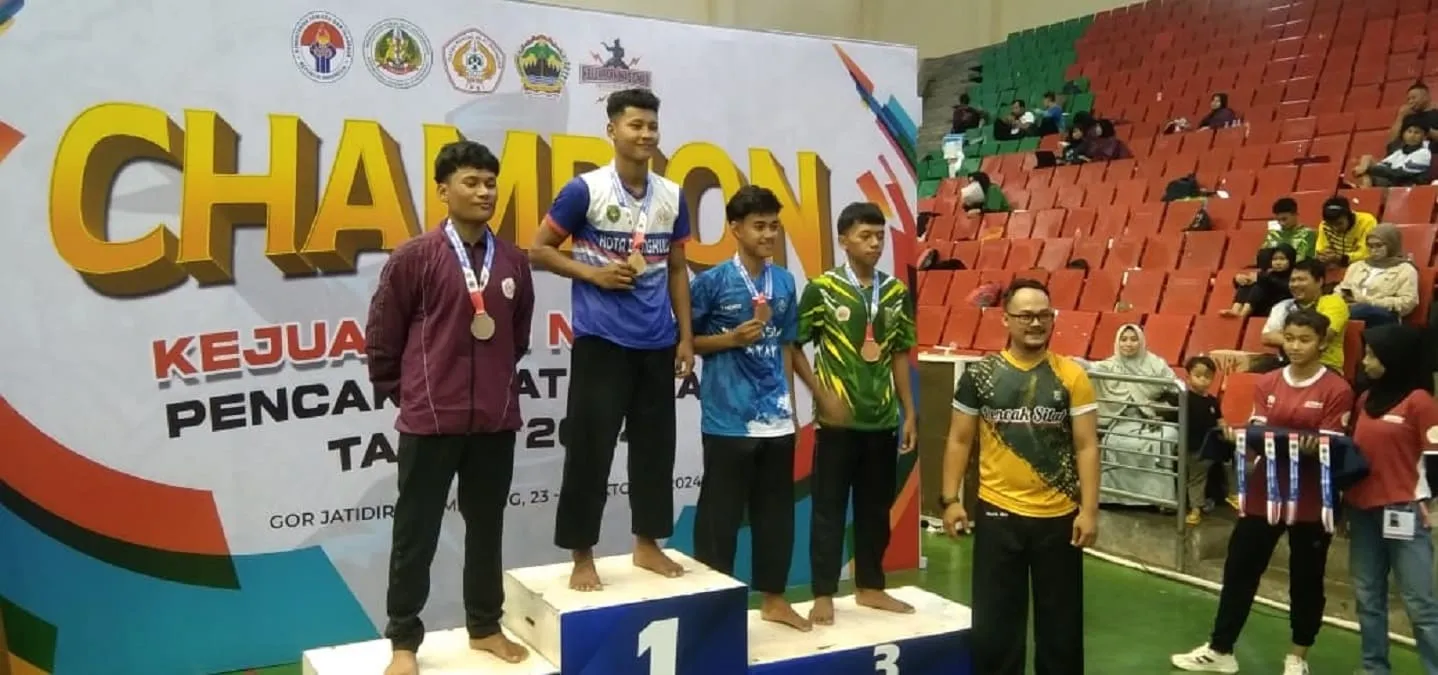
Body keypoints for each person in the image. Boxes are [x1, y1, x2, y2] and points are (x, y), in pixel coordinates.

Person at [365, 141, 536, 674]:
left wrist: (492, 387)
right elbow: (383, 337)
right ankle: (403, 643)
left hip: (494, 421)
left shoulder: (513, 261)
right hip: (430, 422)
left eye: (490, 183)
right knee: (415, 533)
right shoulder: (414, 257)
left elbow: (517, 336)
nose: (484, 192)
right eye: (471, 182)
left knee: (486, 528)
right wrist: (414, 394)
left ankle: (484, 627)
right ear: (443, 190)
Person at [529, 87, 696, 591]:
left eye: (652, 126)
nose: (645, 134)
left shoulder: (672, 196)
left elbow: (678, 268)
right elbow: (538, 250)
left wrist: (685, 338)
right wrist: (593, 275)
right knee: (590, 450)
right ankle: (582, 555)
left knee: (655, 449)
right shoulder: (585, 190)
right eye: (635, 125)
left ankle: (647, 544)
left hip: (657, 341)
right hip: (601, 339)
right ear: (612, 130)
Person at [1171, 310, 1355, 675]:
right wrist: (1236, 436)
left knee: (1306, 579)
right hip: (1262, 494)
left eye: (1305, 340)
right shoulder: (1268, 381)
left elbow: (1333, 445)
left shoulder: (1337, 389)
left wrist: (1309, 445)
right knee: (1239, 569)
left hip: (1310, 499)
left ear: (1322, 343)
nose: (1296, 346)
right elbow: (1258, 433)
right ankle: (1221, 649)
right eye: (1290, 338)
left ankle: (1297, 657)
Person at [942, 278, 1102, 675]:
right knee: (996, 628)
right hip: (998, 514)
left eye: (1044, 315)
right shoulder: (980, 375)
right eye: (1026, 315)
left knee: (1061, 630)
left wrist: (1089, 511)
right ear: (1006, 319)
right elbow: (959, 439)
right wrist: (950, 499)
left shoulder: (1072, 376)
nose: (1036, 323)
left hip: (1059, 519)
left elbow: (1086, 446)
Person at [688, 186, 811, 632]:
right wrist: (729, 339)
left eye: (774, 226)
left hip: (776, 422)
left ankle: (774, 600)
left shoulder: (785, 283)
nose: (768, 234)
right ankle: (712, 611)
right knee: (719, 520)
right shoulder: (712, 282)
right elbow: (686, 342)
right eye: (759, 226)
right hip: (727, 421)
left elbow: (786, 345)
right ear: (735, 229)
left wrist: (791, 410)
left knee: (775, 516)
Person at [792, 201, 919, 625]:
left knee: (875, 511)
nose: (875, 244)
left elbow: (899, 353)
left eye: (880, 236)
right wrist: (821, 394)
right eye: (865, 236)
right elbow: (793, 345)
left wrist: (909, 412)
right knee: (828, 510)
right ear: (843, 240)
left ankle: (870, 587)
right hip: (837, 424)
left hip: (882, 422)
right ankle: (823, 593)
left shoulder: (895, 292)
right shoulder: (822, 289)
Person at [1345, 324, 1438, 674]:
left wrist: (1424, 500)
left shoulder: (1420, 402)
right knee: (1368, 597)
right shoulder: (1364, 400)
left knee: (1419, 604)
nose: (1365, 362)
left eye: (1373, 355)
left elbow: (1436, 460)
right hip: (1362, 511)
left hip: (1404, 512)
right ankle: (1374, 668)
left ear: (1395, 358)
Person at [1092, 324, 1179, 506]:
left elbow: (1176, 391)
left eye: (1133, 339)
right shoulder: (1109, 365)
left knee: (1168, 435)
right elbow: (1089, 367)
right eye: (1124, 339)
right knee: (1114, 440)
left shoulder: (1156, 364)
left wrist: (1159, 412)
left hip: (1154, 419)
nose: (1128, 344)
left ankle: (1160, 498)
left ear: (1141, 341)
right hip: (1121, 421)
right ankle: (1113, 497)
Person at [1261, 259, 1349, 373]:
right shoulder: (1283, 306)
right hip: (1287, 364)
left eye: (1301, 280)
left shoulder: (1333, 302)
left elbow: (1323, 336)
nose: (1295, 284)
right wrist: (1302, 339)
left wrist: (1286, 337)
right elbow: (1266, 337)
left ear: (1319, 281)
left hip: (1324, 366)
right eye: (1292, 280)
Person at [1336, 223, 1420, 327]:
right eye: (1370, 246)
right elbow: (1342, 288)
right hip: (1352, 308)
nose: (1373, 250)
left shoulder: (1405, 269)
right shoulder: (1356, 266)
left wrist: (1370, 302)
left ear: (1391, 245)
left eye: (1379, 246)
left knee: (1363, 309)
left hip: (1385, 315)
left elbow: (1408, 302)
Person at [1179, 356, 1223, 525]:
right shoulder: (1183, 397)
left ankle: (1199, 506)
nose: (1203, 380)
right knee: (1193, 478)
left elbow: (1220, 419)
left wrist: (1225, 429)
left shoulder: (1213, 401)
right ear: (1188, 376)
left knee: (1199, 477)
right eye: (1198, 375)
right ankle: (1194, 507)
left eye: (1208, 376)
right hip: (1188, 445)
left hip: (1208, 446)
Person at [1222, 244, 1295, 319]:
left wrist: (1261, 279)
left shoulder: (1294, 274)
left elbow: (1286, 287)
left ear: (1290, 260)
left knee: (1259, 285)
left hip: (1278, 307)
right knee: (1246, 284)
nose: (1278, 262)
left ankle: (1243, 314)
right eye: (1274, 259)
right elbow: (1255, 281)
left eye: (1282, 259)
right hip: (1259, 307)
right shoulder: (1269, 273)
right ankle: (1235, 310)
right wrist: (1238, 280)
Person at [1352, 120, 1433, 188]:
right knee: (1367, 158)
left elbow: (1399, 175)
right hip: (1391, 183)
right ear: (1404, 134)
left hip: (1404, 185)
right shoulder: (1400, 152)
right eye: (1409, 131)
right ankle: (1364, 191)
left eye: (1416, 132)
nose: (1412, 135)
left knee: (1367, 172)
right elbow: (1383, 166)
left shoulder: (1424, 153)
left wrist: (1368, 169)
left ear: (1424, 136)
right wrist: (1365, 168)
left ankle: (1363, 192)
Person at [1316, 197, 1377, 268]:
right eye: (1330, 225)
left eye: (1339, 224)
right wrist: (1324, 256)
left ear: (1349, 216)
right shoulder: (1324, 225)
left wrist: (1341, 258)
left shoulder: (1367, 222)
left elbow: (1367, 253)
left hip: (1360, 267)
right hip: (1334, 266)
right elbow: (1320, 249)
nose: (1335, 228)